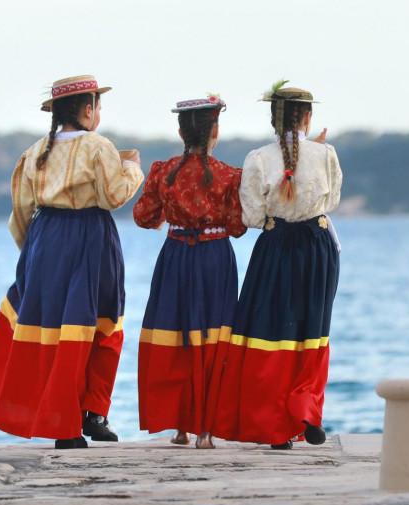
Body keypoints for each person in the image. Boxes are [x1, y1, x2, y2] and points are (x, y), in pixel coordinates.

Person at [0, 75, 144, 449]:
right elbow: (114, 196)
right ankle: (92, 413)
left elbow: (21, 213)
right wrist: (133, 167)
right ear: (88, 110)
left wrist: (36, 256)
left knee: (58, 333)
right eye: (98, 107)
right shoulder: (99, 147)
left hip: (45, 243)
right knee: (99, 323)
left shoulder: (36, 151)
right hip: (90, 239)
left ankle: (66, 421)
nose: (99, 114)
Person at [213, 81, 342, 450]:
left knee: (271, 337)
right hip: (317, 249)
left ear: (273, 118)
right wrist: (312, 152)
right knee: (312, 334)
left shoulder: (257, 159)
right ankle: (306, 410)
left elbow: (252, 217)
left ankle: (276, 429)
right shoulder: (326, 154)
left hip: (275, 248)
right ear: (307, 118)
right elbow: (330, 201)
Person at [133, 94, 246, 449]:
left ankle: (180, 427)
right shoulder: (229, 175)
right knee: (214, 338)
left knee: (176, 336)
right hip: (215, 258)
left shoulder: (162, 171)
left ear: (181, 132)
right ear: (214, 132)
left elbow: (143, 216)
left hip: (175, 256)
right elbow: (238, 226)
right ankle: (207, 431)